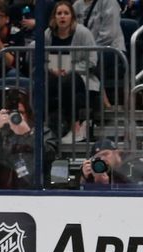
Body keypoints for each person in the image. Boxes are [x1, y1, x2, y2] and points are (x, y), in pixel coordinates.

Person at [0, 88, 57, 188]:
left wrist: (28, 134)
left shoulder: (42, 132)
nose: (16, 117)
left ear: (28, 114)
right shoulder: (0, 133)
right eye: (12, 113)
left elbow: (50, 155)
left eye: (21, 113)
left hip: (33, 190)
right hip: (2, 191)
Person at [45, 0, 100, 144]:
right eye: (59, 13)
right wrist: (52, 69)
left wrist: (71, 69)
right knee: (44, 81)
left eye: (66, 13)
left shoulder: (83, 33)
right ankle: (47, 128)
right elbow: (42, 60)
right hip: (55, 77)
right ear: (54, 17)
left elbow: (92, 60)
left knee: (69, 80)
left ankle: (75, 126)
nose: (62, 17)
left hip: (81, 78)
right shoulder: (48, 34)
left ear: (72, 17)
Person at [79, 138, 143, 189]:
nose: (102, 159)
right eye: (98, 157)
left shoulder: (134, 167)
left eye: (106, 154)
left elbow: (136, 195)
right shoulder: (95, 172)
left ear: (116, 153)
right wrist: (84, 178)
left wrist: (106, 186)